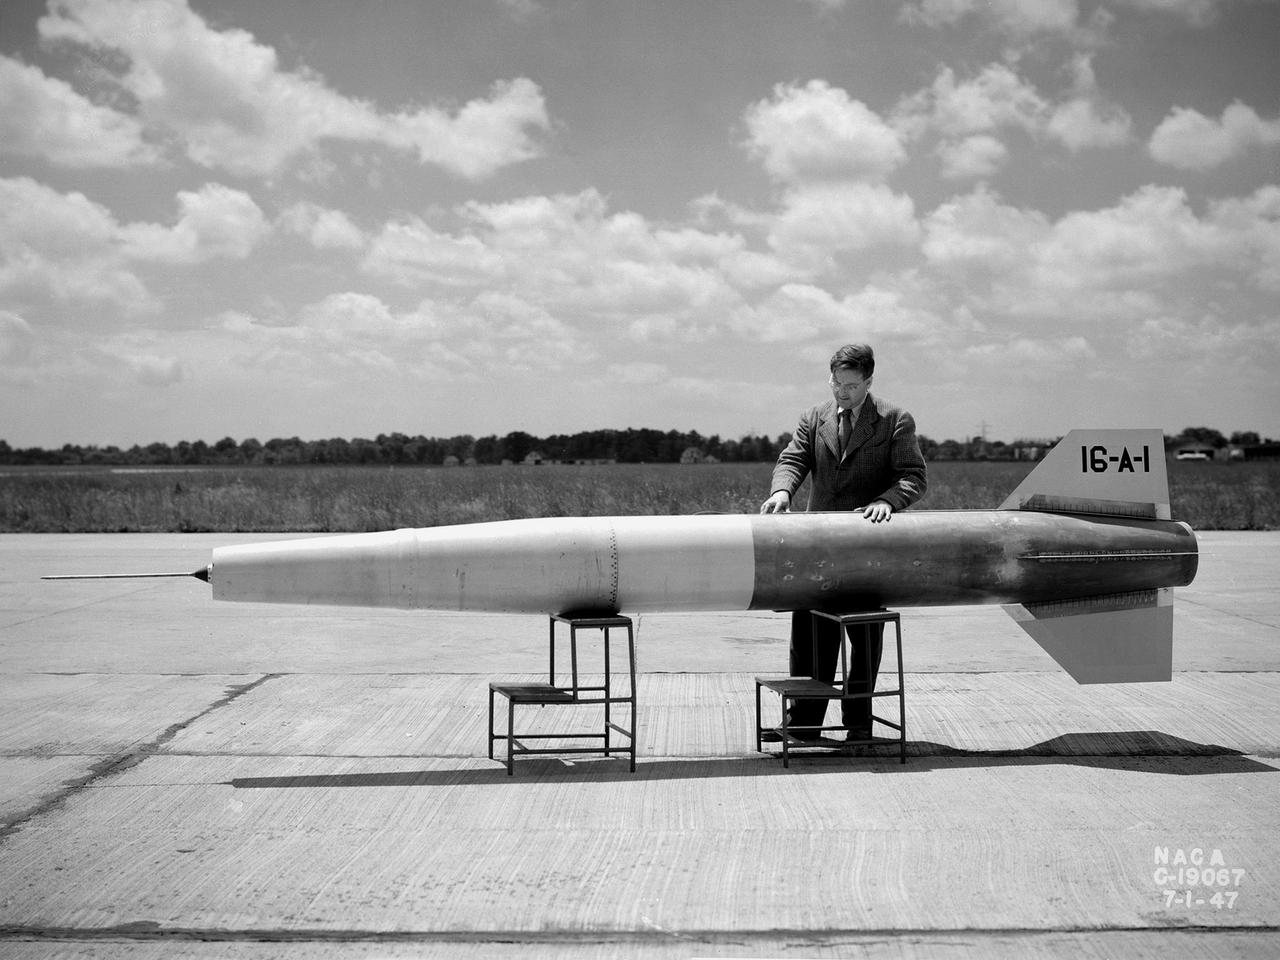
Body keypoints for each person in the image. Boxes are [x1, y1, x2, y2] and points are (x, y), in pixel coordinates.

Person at [759, 343, 927, 743]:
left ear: (869, 381)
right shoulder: (814, 417)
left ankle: (858, 724)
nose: (842, 392)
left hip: (867, 549)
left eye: (851, 385)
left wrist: (888, 501)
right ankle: (804, 723)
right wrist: (782, 491)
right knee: (809, 636)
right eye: (836, 383)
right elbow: (793, 459)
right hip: (816, 547)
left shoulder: (894, 419)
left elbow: (914, 476)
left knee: (864, 642)